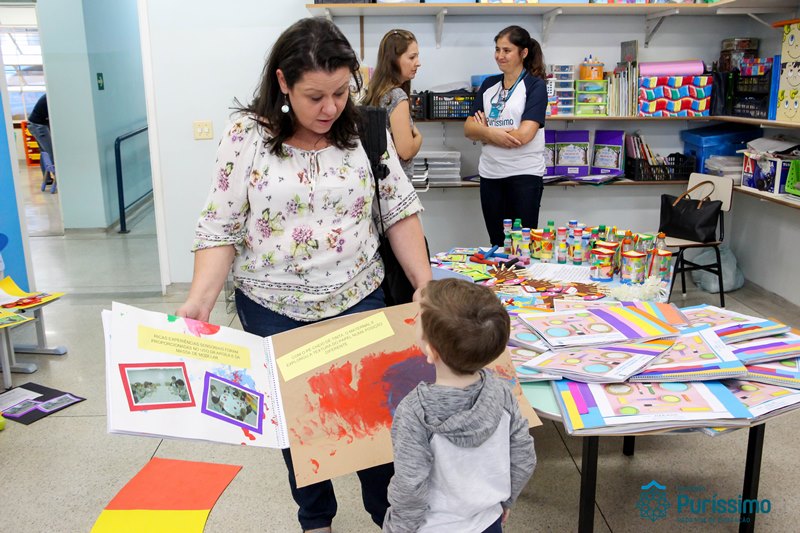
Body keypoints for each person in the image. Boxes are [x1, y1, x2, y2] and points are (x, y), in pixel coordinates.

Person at [177, 17, 431, 533]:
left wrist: (426, 284)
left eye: (340, 92)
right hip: (273, 309)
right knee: (301, 428)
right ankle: (316, 520)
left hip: (358, 297)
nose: (330, 108)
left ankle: (390, 518)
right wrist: (200, 300)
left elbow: (398, 211)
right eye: (315, 96)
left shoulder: (365, 130)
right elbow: (220, 225)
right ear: (283, 83)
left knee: (373, 428)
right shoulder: (246, 135)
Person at [383, 278, 536, 533]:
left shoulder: (415, 412)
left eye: (419, 318)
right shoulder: (502, 394)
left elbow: (410, 484)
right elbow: (524, 456)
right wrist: (506, 500)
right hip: (488, 522)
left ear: (431, 351)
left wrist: (397, 528)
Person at [464, 26, 548, 247]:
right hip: (490, 175)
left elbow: (523, 136)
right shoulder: (489, 85)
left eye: (507, 50)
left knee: (521, 246)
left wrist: (485, 133)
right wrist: (488, 132)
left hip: (524, 176)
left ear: (523, 53)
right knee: (497, 243)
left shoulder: (535, 86)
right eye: (497, 49)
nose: (500, 56)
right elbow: (469, 129)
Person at [362, 29, 423, 180]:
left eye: (417, 56)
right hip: (397, 182)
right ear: (394, 60)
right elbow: (406, 151)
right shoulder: (396, 96)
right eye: (412, 57)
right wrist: (419, 138)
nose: (418, 63)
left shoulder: (375, 92)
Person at [26, 94, 54, 184]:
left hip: (34, 124)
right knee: (51, 152)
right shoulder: (51, 96)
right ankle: (60, 179)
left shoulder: (49, 95)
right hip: (38, 125)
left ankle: (47, 179)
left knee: (44, 152)